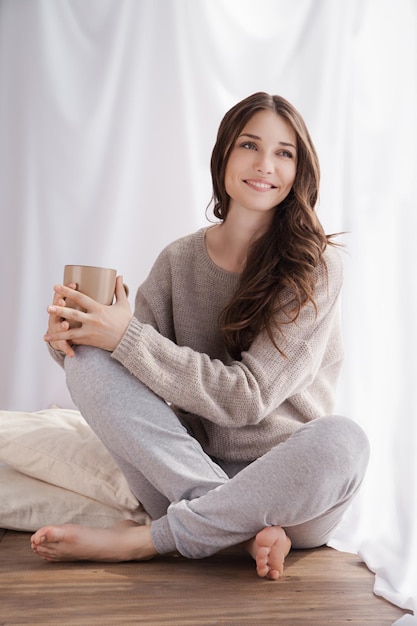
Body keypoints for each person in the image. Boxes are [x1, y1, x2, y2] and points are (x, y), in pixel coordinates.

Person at [31, 92, 369, 580]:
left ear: (299, 172)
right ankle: (233, 526)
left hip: (289, 484)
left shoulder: (316, 268)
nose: (264, 164)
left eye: (283, 153)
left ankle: (149, 540)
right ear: (225, 154)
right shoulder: (179, 261)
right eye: (249, 146)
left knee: (346, 441)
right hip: (183, 472)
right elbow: (131, 368)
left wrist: (124, 336)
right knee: (87, 361)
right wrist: (73, 339)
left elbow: (247, 399)